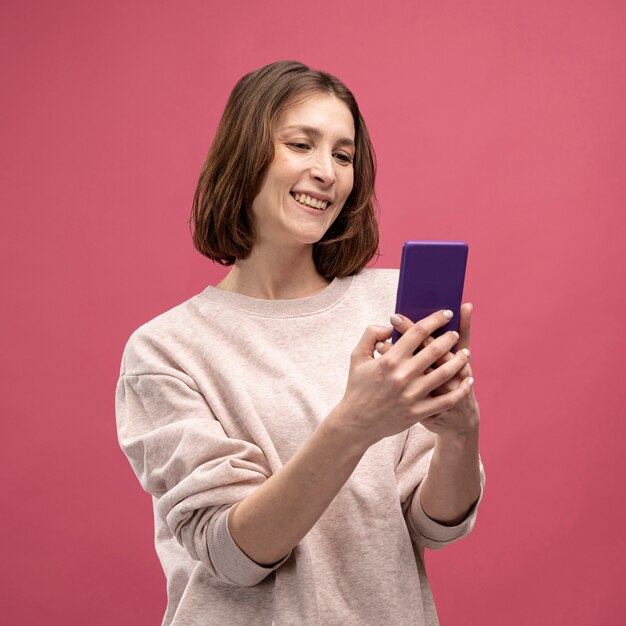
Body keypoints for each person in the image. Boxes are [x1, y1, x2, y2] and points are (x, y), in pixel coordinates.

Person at [115, 60, 485, 626]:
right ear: (244, 155)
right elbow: (234, 555)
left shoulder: (388, 310)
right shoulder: (166, 350)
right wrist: (354, 423)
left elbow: (436, 524)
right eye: (301, 144)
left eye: (342, 155)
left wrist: (460, 432)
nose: (327, 172)